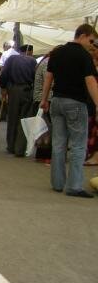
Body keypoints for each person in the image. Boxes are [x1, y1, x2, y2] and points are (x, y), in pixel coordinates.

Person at [40, 24, 98, 198]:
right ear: (83, 35)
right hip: (76, 103)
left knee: (58, 143)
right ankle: (74, 186)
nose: (92, 44)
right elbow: (91, 82)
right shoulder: (84, 56)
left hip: (57, 101)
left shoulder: (57, 53)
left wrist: (44, 100)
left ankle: (57, 183)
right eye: (91, 40)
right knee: (78, 145)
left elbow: (48, 78)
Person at [0, 45, 37, 156]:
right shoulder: (33, 61)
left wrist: (3, 88)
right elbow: (35, 77)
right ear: (29, 51)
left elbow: (4, 74)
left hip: (14, 90)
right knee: (24, 119)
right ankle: (20, 149)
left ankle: (11, 146)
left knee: (13, 118)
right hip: (28, 90)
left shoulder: (12, 59)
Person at [32, 49, 55, 162]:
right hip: (46, 98)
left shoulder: (44, 61)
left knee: (43, 127)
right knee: (47, 128)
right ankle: (45, 155)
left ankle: (42, 155)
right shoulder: (48, 63)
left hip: (42, 97)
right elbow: (49, 81)